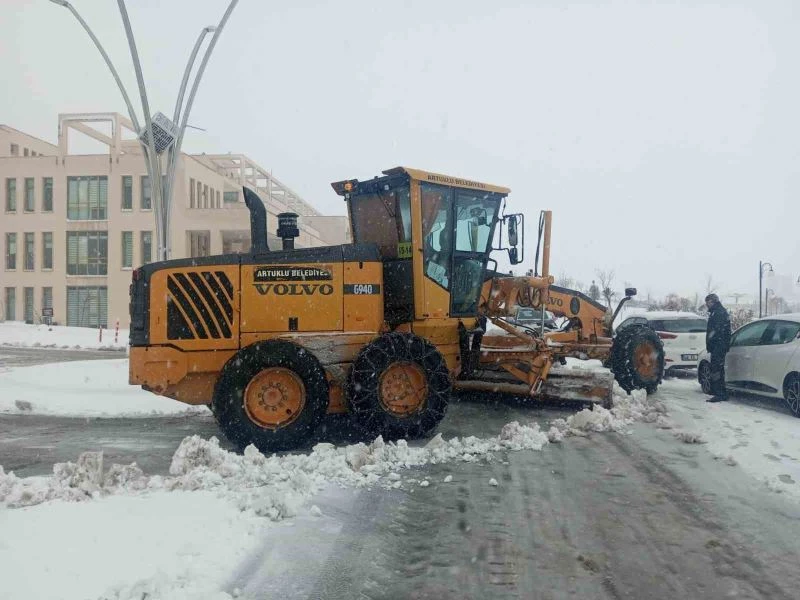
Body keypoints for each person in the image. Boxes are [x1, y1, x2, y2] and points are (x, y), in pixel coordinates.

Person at [705, 293, 731, 402]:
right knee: (716, 368)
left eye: (708, 302)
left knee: (717, 369)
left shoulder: (719, 313)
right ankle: (717, 391)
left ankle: (720, 393)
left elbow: (718, 330)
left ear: (713, 301)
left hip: (719, 346)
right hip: (717, 345)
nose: (707, 305)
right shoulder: (716, 312)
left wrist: (715, 344)